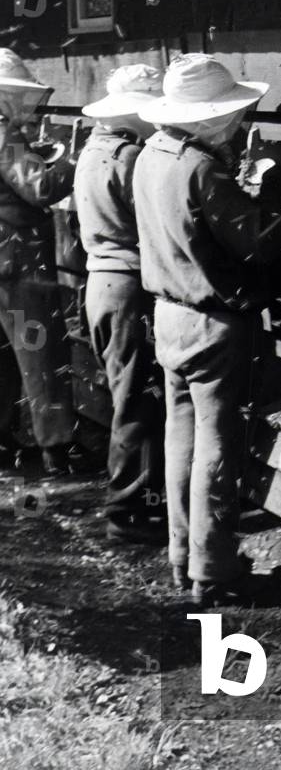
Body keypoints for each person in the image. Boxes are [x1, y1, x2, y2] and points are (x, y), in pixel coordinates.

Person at [134, 54, 281, 606]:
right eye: (231, 114)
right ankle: (214, 570)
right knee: (217, 448)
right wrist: (275, 190)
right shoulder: (202, 167)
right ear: (210, 117)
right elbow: (260, 242)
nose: (237, 122)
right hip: (212, 323)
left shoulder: (151, 153)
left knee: (180, 439)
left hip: (168, 315)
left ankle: (183, 557)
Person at [74, 65, 166, 543]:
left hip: (102, 284)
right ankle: (128, 511)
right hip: (130, 286)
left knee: (128, 398)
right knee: (138, 403)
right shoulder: (131, 157)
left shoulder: (93, 149)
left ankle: (135, 503)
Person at [0, 49, 86, 475]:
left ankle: (5, 441)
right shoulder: (3, 134)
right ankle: (58, 450)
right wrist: (72, 159)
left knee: (4, 357)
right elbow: (42, 188)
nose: (24, 104)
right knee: (43, 355)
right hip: (21, 263)